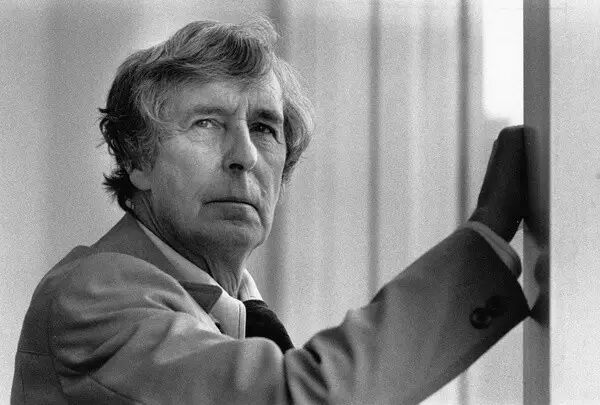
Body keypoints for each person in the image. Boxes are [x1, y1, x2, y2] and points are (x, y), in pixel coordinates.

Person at [11, 19, 529, 404]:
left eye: (263, 128)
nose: (244, 155)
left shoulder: (228, 309)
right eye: (207, 123)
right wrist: (486, 235)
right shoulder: (92, 293)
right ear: (136, 160)